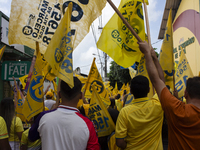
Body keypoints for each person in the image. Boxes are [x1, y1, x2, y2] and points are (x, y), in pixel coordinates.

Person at [138, 41, 200, 149]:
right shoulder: (177, 107)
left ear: (185, 93)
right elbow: (159, 82)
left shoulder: (177, 110)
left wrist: (147, 54)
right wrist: (155, 59)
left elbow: (157, 81)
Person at [29, 77, 100, 150]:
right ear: (81, 96)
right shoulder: (88, 124)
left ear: (59, 94)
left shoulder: (43, 117)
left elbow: (31, 137)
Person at [115, 75, 164, 150]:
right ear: (149, 90)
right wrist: (155, 62)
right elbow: (162, 84)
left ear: (131, 91)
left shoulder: (124, 112)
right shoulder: (158, 105)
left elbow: (119, 142)